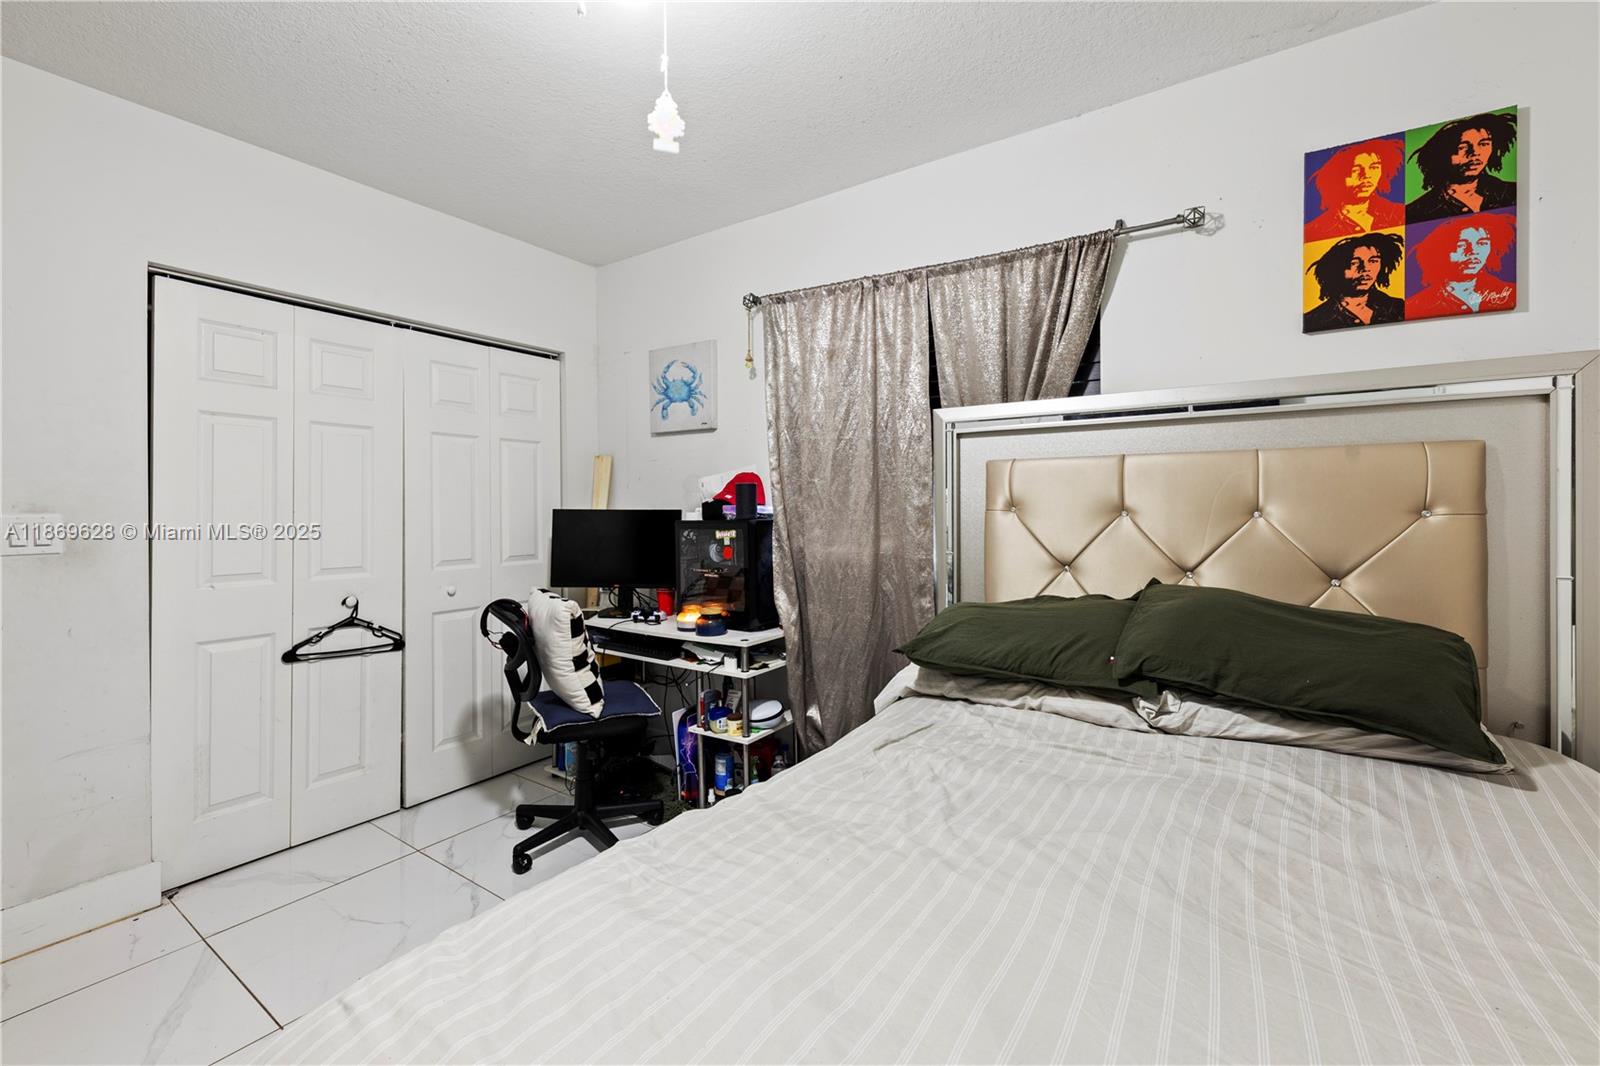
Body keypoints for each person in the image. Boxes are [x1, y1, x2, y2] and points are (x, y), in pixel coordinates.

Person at [1406, 111, 1518, 223]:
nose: (1475, 153)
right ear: (1441, 154)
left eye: (1483, 144)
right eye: (1462, 147)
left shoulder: (1512, 192)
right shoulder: (1415, 213)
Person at [1406, 213, 1517, 318]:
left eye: (1482, 243)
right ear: (1441, 250)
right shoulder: (1415, 305)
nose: (1473, 251)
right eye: (1461, 245)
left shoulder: (1509, 291)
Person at [1304, 137, 1405, 241]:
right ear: (1336, 176)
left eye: (1374, 167)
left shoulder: (1399, 213)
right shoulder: (1314, 231)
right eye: (1355, 170)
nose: (1366, 175)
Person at [1303, 232, 1406, 332]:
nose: (1366, 269)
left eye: (1373, 261)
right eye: (1354, 263)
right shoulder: (1314, 320)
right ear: (1336, 269)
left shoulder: (1397, 307)